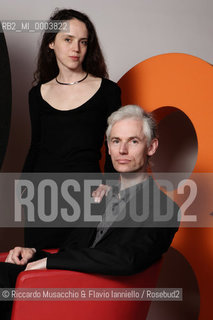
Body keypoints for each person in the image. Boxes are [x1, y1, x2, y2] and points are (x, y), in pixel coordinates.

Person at [0, 105, 179, 319]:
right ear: (109, 148)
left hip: (96, 300)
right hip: (64, 287)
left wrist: (48, 262)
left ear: (151, 147)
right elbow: (73, 251)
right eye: (116, 141)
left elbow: (126, 258)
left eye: (133, 141)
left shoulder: (164, 209)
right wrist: (34, 254)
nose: (122, 150)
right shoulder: (99, 198)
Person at [22, 8, 121, 249]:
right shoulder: (37, 94)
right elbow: (36, 146)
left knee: (79, 272)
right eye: (68, 39)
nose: (76, 49)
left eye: (83, 42)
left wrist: (111, 183)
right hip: (41, 197)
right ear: (51, 43)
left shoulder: (108, 91)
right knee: (39, 271)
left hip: (87, 196)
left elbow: (115, 143)